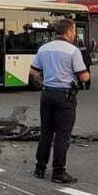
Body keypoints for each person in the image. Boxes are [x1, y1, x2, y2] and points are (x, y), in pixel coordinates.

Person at [29, 18, 90, 184]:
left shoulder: (44, 48)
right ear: (69, 31)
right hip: (65, 96)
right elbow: (84, 76)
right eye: (74, 31)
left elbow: (33, 71)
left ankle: (39, 168)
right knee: (62, 135)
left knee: (46, 133)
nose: (74, 34)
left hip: (47, 94)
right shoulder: (73, 51)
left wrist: (46, 79)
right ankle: (58, 172)